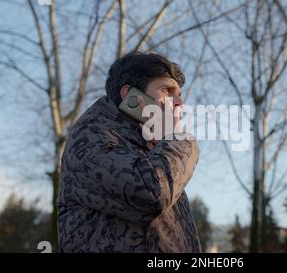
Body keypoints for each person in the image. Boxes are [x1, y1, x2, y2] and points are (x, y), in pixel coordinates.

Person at [57, 51, 201, 252]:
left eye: (179, 94)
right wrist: (179, 138)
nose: (179, 103)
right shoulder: (91, 135)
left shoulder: (154, 146)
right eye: (167, 90)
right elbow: (152, 192)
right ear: (131, 96)